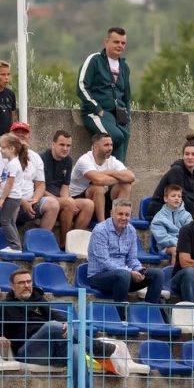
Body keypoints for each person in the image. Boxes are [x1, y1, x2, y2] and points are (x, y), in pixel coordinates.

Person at [0, 269, 72, 367]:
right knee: (52, 326)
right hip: (27, 353)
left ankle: (84, 376)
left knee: (76, 350)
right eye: (21, 283)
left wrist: (66, 323)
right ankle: (89, 344)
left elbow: (54, 315)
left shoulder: (38, 300)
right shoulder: (4, 307)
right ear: (12, 286)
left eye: (29, 282)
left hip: (51, 352)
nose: (27, 286)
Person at [85, 199, 164, 305]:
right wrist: (129, 272)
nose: (124, 218)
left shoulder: (131, 230)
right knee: (123, 275)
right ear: (112, 214)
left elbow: (132, 258)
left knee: (158, 274)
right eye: (120, 214)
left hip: (123, 276)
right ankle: (122, 317)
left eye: (127, 215)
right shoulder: (100, 230)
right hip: (99, 276)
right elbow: (104, 261)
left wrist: (139, 270)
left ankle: (148, 311)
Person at [77, 27, 133, 162]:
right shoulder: (94, 60)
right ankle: (97, 172)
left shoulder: (124, 67)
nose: (120, 45)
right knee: (115, 137)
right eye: (116, 42)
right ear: (106, 42)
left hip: (118, 116)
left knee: (123, 136)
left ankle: (116, 177)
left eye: (123, 43)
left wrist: (128, 115)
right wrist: (98, 109)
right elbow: (81, 86)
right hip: (96, 113)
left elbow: (126, 96)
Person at [6, 121, 61, 236]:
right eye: (17, 132)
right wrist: (22, 202)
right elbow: (0, 186)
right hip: (6, 201)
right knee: (13, 202)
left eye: (24, 132)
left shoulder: (35, 157)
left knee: (53, 204)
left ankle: (39, 242)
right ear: (9, 135)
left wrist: (34, 200)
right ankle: (12, 244)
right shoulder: (1, 153)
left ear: (29, 136)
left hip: (29, 203)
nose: (21, 135)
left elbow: (40, 185)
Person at [40, 129, 95, 241]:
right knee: (69, 203)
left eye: (68, 145)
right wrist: (63, 201)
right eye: (62, 145)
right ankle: (64, 242)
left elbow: (65, 186)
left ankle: (73, 241)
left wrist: (66, 200)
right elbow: (38, 187)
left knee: (89, 205)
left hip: (60, 198)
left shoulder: (68, 160)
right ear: (53, 144)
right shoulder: (41, 158)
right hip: (44, 198)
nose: (65, 148)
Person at [69, 133, 134, 224]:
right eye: (106, 145)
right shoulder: (85, 160)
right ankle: (102, 225)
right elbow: (99, 180)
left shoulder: (112, 161)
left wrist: (110, 172)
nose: (110, 148)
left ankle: (118, 221)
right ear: (95, 147)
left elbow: (131, 177)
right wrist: (120, 177)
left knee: (125, 185)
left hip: (101, 201)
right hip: (79, 202)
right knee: (98, 187)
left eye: (111, 145)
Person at [0, 133, 29, 255]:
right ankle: (17, 246)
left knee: (5, 221)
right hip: (13, 198)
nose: (0, 150)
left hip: (11, 198)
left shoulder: (13, 164)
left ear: (12, 149)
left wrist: (2, 198)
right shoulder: (11, 163)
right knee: (11, 221)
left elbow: (9, 183)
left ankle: (14, 247)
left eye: (3, 147)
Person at [150, 135, 194, 216]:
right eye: (187, 154)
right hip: (161, 207)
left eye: (193, 154)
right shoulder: (176, 170)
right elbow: (181, 197)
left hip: (180, 207)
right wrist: (189, 196)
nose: (190, 157)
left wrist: (186, 193)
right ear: (183, 155)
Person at [151, 184, 192, 261]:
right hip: (166, 246)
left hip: (184, 244)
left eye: (179, 196)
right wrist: (178, 243)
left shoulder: (187, 216)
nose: (177, 198)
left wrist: (184, 243)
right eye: (173, 196)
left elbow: (190, 233)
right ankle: (174, 272)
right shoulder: (159, 217)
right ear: (166, 199)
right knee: (176, 250)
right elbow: (161, 236)